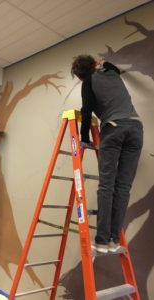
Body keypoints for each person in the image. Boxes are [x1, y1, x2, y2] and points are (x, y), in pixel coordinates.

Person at [71, 55, 143, 253]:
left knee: (107, 186)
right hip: (136, 128)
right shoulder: (111, 73)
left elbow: (86, 112)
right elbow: (113, 67)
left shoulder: (88, 82)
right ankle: (113, 240)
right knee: (123, 187)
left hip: (114, 128)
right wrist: (102, 63)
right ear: (95, 65)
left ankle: (102, 241)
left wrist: (84, 138)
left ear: (79, 75)